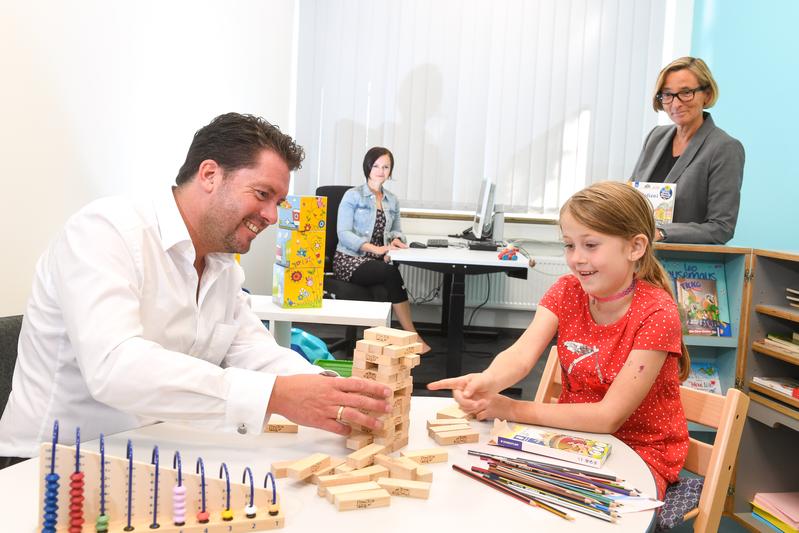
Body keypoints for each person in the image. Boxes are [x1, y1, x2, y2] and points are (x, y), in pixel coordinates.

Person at [0, 113, 391, 464]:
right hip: (50, 463)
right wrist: (277, 395)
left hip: (145, 451)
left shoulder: (221, 265)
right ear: (209, 175)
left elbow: (253, 351)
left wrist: (337, 394)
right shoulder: (105, 231)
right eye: (262, 195)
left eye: (279, 201)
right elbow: (115, 368)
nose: (273, 216)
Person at [429, 181, 690, 499]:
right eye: (569, 245)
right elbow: (521, 354)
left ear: (635, 247)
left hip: (639, 454)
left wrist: (511, 408)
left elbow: (608, 417)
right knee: (500, 487)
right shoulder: (567, 291)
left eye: (591, 245)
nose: (576, 258)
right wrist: (487, 380)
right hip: (572, 438)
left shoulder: (657, 313)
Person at [630, 56, 745, 244]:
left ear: (706, 95)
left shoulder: (725, 148)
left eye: (686, 93)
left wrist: (661, 233)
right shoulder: (655, 137)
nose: (675, 104)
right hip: (639, 257)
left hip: (684, 266)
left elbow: (721, 228)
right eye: (667, 94)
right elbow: (631, 197)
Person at [334, 146, 430, 353]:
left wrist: (396, 241)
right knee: (390, 273)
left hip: (375, 262)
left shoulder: (392, 200)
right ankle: (412, 337)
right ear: (367, 167)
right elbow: (343, 233)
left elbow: (397, 230)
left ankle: (378, 347)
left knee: (383, 290)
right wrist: (376, 249)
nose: (381, 170)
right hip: (348, 259)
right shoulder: (353, 196)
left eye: (386, 166)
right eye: (376, 165)